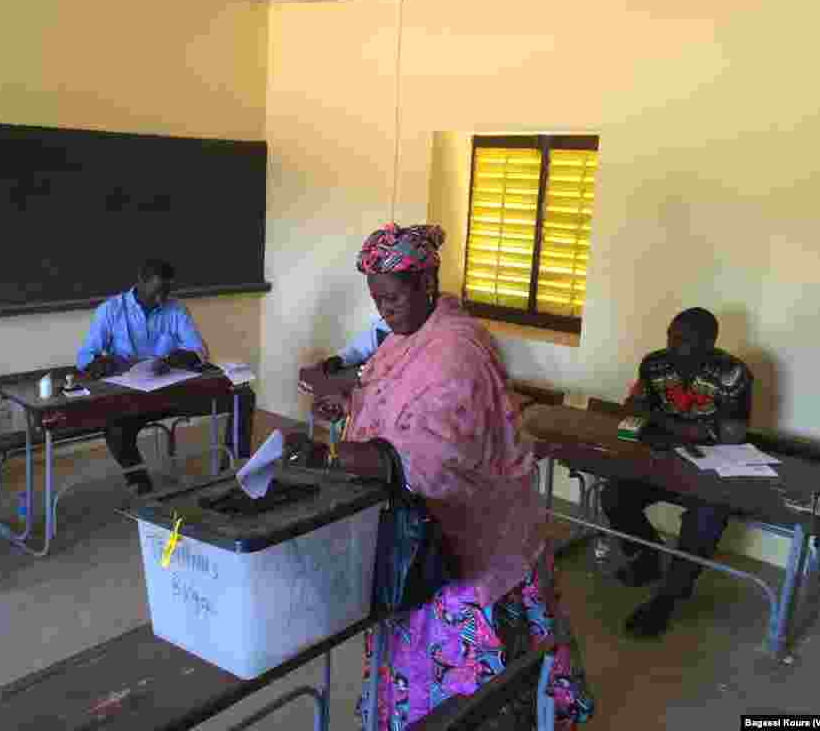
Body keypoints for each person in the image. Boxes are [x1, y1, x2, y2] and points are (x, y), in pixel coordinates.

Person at [284, 223, 593, 730]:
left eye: (391, 298)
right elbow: (391, 402)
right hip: (425, 529)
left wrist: (331, 454)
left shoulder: (457, 350)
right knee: (412, 658)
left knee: (473, 695)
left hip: (470, 543)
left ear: (427, 283)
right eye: (376, 300)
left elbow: (429, 459)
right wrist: (350, 403)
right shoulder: (407, 338)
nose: (382, 310)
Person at [601, 307, 753, 638]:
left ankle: (668, 597)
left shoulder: (732, 374)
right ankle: (647, 558)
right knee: (614, 495)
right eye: (671, 335)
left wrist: (662, 423)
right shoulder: (655, 363)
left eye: (683, 339)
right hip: (665, 461)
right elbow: (633, 408)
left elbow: (730, 436)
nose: (672, 345)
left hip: (713, 470)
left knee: (705, 519)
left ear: (709, 343)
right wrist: (689, 428)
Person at [76, 259, 254, 494]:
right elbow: (85, 358)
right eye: (157, 291)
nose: (162, 298)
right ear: (141, 283)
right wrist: (112, 363)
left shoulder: (176, 309)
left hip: (174, 393)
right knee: (115, 428)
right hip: (133, 397)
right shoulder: (111, 310)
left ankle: (233, 469)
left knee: (242, 395)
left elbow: (198, 351)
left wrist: (174, 360)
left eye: (167, 291)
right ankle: (141, 485)